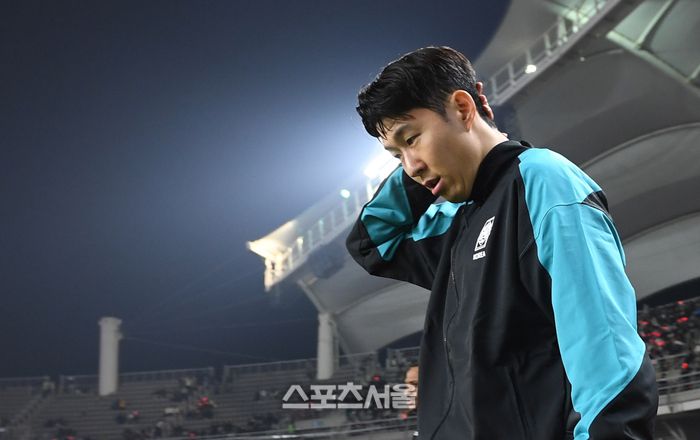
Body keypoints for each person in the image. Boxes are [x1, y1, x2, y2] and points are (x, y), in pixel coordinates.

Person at [347, 46, 658, 439]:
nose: (410, 167)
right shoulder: (460, 220)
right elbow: (371, 242)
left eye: (412, 138)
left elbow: (604, 348)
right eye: (396, 156)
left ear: (463, 108)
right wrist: (424, 162)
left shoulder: (543, 182)